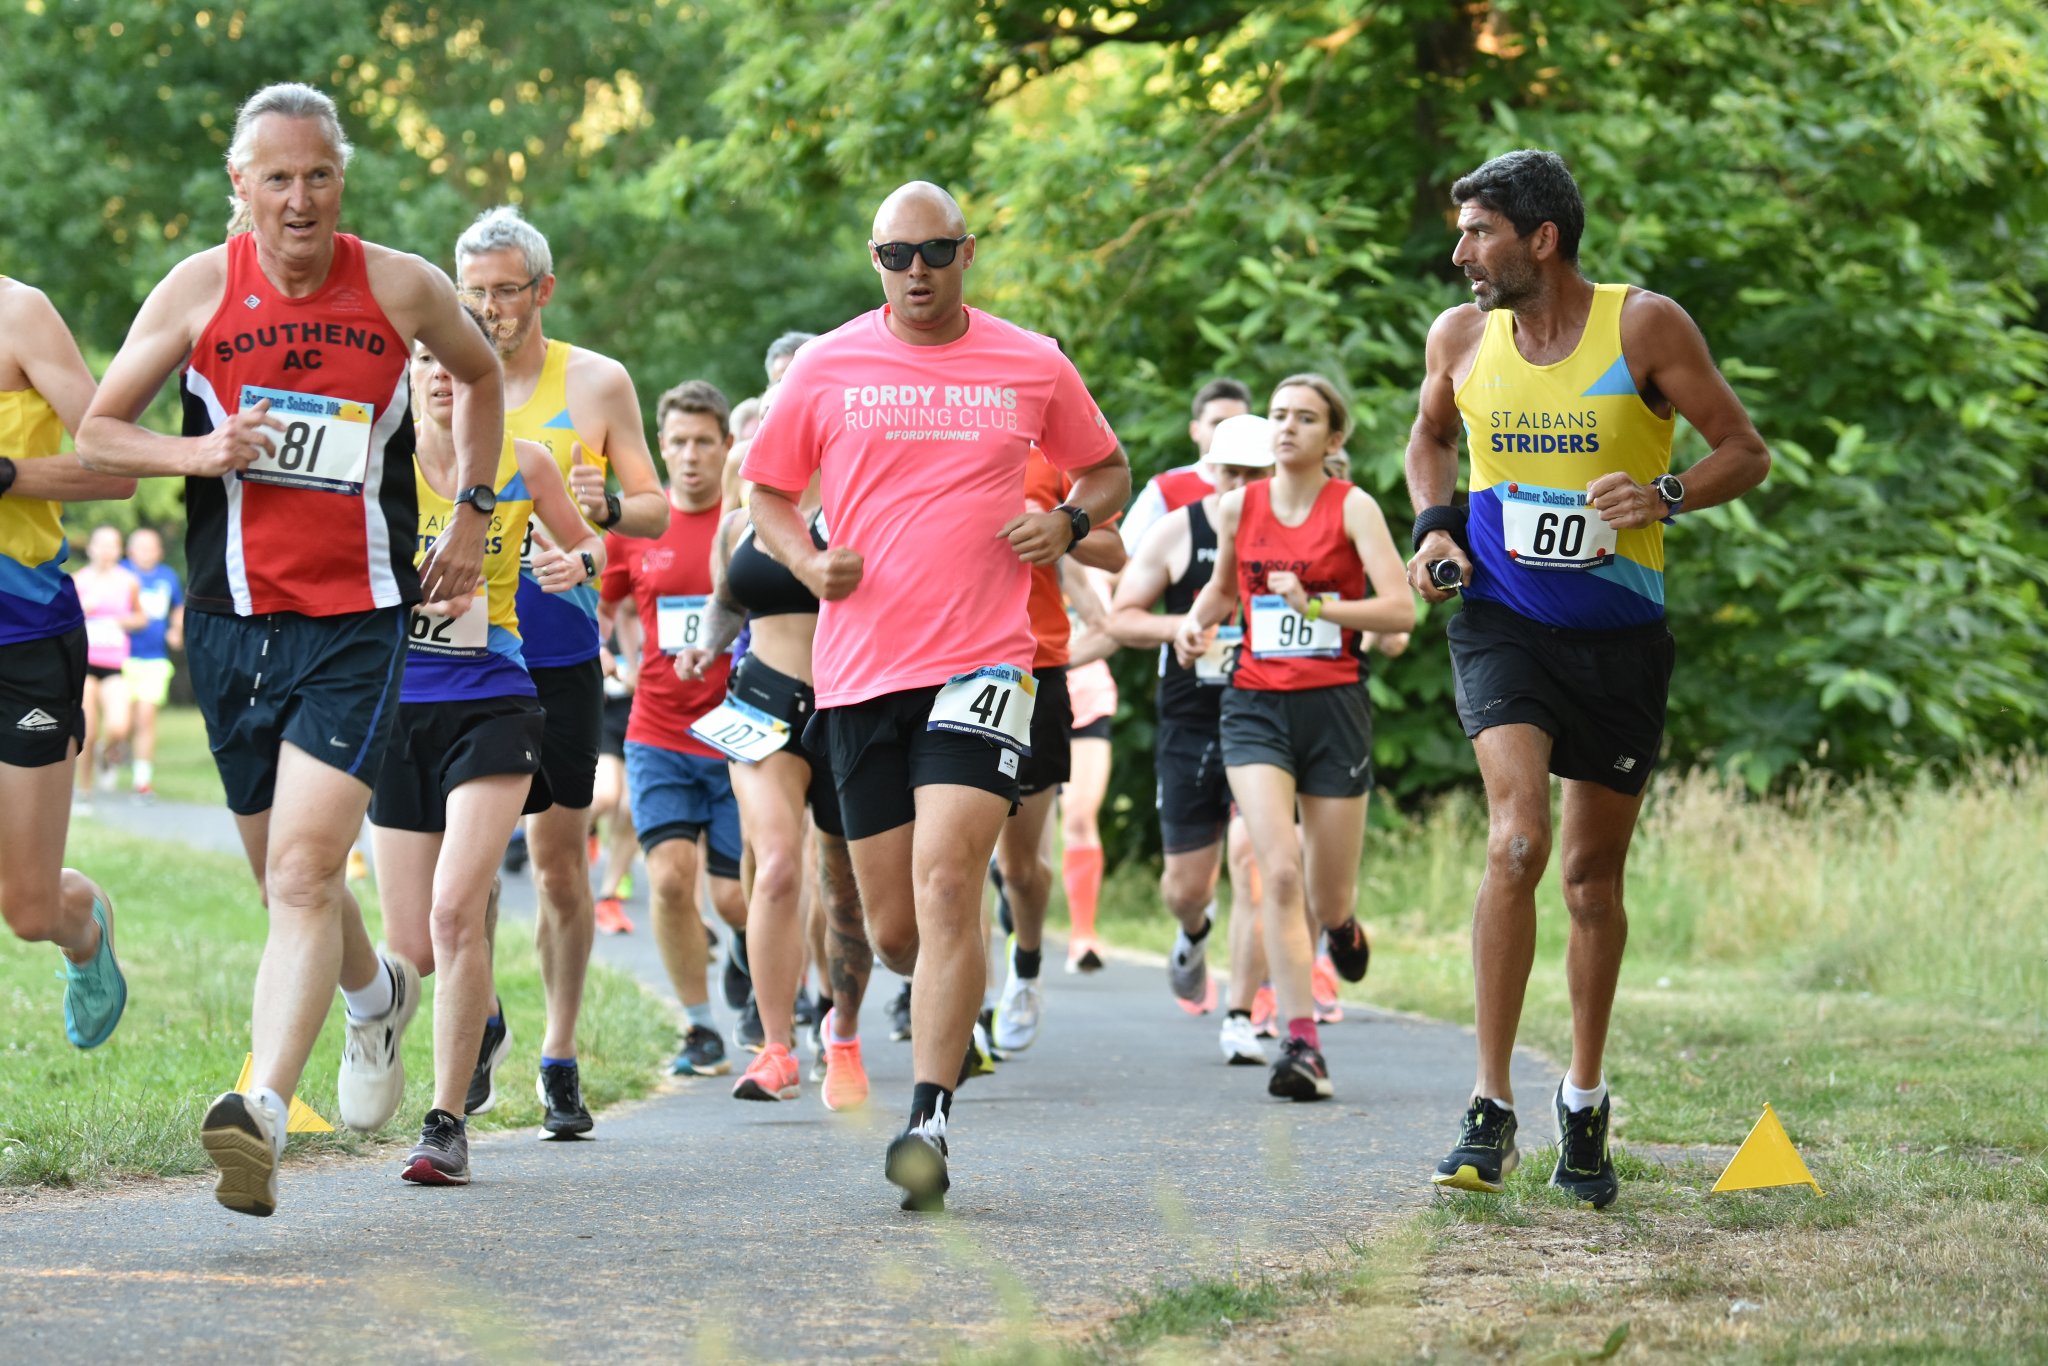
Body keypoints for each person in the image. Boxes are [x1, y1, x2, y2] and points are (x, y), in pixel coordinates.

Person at [77, 82, 502, 1217]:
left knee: (307, 872)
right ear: (240, 185)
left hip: (356, 623)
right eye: (276, 176)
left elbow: (482, 374)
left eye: (317, 173)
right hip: (225, 626)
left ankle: (258, 1109)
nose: (298, 196)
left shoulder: (403, 284)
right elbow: (98, 431)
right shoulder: (200, 287)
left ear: (340, 181)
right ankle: (375, 1001)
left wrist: (472, 508)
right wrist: (200, 449)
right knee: (283, 875)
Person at [742, 180, 1129, 1211]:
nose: (914, 272)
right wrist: (804, 558)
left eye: (933, 252)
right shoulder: (827, 364)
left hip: (987, 662)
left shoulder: (1029, 359)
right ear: (874, 261)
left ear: (966, 252)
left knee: (954, 880)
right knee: (898, 926)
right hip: (862, 673)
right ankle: (931, 987)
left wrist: (1069, 528)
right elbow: (765, 490)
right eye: (893, 256)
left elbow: (1106, 469)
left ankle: (929, 1119)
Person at [1405, 150, 1769, 1207]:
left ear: (1539, 239)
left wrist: (1663, 493)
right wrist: (1434, 534)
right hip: (1499, 619)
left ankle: (1581, 1098)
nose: (1460, 252)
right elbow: (1428, 441)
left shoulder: (1643, 326)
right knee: (1515, 838)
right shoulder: (1460, 336)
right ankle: (1488, 1106)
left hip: (1617, 633)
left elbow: (1742, 451)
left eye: (1477, 232)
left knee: (1587, 879)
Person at [453, 205, 668, 1134]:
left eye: (507, 291)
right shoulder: (437, 379)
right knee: (458, 876)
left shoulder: (597, 382)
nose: (491, 310)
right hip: (463, 651)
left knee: (556, 863)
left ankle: (561, 1052)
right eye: (476, 294)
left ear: (542, 290)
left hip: (561, 648)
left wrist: (607, 506)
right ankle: (483, 1016)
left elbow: (656, 510)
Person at [373, 325, 605, 1175]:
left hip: (494, 699)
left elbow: (591, 544)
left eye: (453, 364)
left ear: (482, 376)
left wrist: (576, 566)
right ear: (408, 371)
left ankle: (444, 1126)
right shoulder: (379, 463)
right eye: (424, 361)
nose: (440, 377)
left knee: (452, 910)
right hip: (396, 708)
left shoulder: (524, 461)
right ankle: (486, 1017)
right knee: (418, 947)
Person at [1175, 376, 1413, 1102]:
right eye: (1278, 416)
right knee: (1275, 870)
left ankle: (1339, 929)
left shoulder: (1354, 508)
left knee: (1325, 891)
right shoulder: (1236, 506)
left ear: (1332, 439)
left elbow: (1400, 607)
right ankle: (1301, 1043)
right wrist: (1196, 622)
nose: (1286, 428)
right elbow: (1222, 588)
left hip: (1334, 707)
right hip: (1254, 707)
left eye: (1304, 419)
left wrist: (1322, 605)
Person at [672, 463, 873, 1111]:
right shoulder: (743, 515)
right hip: (760, 703)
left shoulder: (864, 494)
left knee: (846, 893)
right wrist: (705, 646)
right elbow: (729, 600)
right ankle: (776, 1049)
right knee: (780, 865)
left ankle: (841, 1037)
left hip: (852, 709)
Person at [1109, 413, 1277, 1062]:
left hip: (1267, 711)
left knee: (1254, 861)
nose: (1236, 486)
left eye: (1251, 474)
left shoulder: (1300, 535)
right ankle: (1193, 932)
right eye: (1226, 472)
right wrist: (1179, 628)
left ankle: (1240, 1014)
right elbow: (1125, 615)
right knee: (1186, 887)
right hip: (1189, 713)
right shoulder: (1181, 530)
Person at [0, 277, 136, 1051]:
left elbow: (115, 468)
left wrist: (8, 474)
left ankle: (80, 919)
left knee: (27, 910)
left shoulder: (20, 314)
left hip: (22, 639)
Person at [599, 380, 747, 1079]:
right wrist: (609, 657)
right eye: (679, 443)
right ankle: (699, 1026)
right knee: (667, 880)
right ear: (661, 446)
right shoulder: (636, 528)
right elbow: (601, 610)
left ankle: (750, 953)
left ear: (725, 447)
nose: (690, 456)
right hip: (656, 730)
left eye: (704, 442)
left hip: (740, 737)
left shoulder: (748, 521)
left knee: (733, 896)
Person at [987, 449, 1126, 1055]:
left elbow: (1113, 553)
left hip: (1031, 670)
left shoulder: (1047, 459)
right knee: (949, 864)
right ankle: (964, 1010)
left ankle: (1026, 961)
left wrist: (1057, 522)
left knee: (1018, 866)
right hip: (936, 667)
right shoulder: (923, 429)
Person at [1055, 568, 1119, 972]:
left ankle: (1083, 937)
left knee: (1079, 817)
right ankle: (1017, 927)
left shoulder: (1097, 558)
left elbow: (1112, 628)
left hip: (1088, 702)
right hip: (1026, 699)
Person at [1117, 379, 1253, 553]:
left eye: (1237, 423)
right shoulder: (1165, 489)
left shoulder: (1271, 485)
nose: (1228, 432)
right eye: (1217, 423)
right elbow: (1123, 557)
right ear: (1195, 430)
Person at [71, 526, 144, 797]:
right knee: (87, 729)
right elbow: (61, 621)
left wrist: (121, 621)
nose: (105, 550)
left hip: (114, 664)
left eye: (112, 545)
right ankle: (85, 790)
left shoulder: (129, 581)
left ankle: (107, 751)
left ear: (119, 550)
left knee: (119, 726)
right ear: (90, 548)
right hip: (85, 663)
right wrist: (81, 611)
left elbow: (141, 618)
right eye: (100, 544)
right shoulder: (78, 581)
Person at [119, 527, 184, 799]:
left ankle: (142, 782)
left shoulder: (167, 576)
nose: (147, 553)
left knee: (145, 720)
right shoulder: (120, 573)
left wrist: (176, 630)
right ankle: (108, 750)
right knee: (120, 724)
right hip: (120, 657)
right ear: (130, 550)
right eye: (141, 547)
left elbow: (178, 607)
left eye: (152, 547)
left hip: (154, 659)